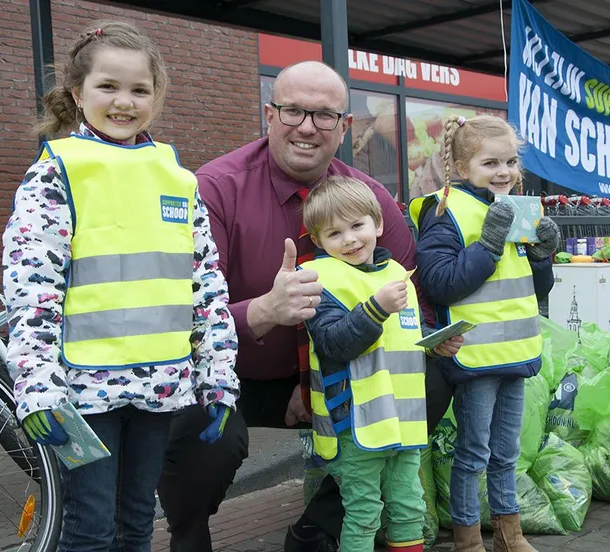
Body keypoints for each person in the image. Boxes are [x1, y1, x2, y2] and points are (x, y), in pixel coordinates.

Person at [157, 60, 455, 552]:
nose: (307, 128)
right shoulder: (213, 189)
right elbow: (177, 317)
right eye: (294, 111)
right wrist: (264, 310)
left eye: (324, 116)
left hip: (344, 378)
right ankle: (190, 536)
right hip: (237, 375)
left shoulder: (370, 200)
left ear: (345, 127)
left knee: (434, 379)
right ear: (270, 115)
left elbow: (414, 299)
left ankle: (323, 524)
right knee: (196, 428)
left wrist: (434, 339)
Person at [2, 21, 239, 552]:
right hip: (82, 391)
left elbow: (205, 284)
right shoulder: (56, 172)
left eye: (139, 89)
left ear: (157, 96)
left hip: (158, 387)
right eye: (108, 87)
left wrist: (218, 375)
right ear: (76, 93)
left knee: (136, 523)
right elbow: (32, 287)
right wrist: (37, 384)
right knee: (87, 529)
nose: (124, 102)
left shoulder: (177, 176)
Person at [409, 115, 559, 552]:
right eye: (490, 162)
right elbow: (439, 282)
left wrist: (543, 256)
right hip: (473, 357)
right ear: (459, 167)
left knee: (506, 454)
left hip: (516, 352)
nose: (504, 172)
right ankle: (468, 540)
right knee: (473, 454)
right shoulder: (444, 211)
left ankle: (510, 536)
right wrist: (488, 245)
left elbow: (536, 288)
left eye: (511, 161)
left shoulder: (521, 209)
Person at [300, 175, 463, 552]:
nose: (350, 239)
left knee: (410, 510)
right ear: (318, 241)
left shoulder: (396, 275)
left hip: (404, 423)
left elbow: (407, 336)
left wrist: (435, 346)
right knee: (363, 513)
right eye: (335, 233)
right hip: (356, 426)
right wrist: (375, 309)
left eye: (357, 226)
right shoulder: (318, 280)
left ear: (378, 224)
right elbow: (334, 342)